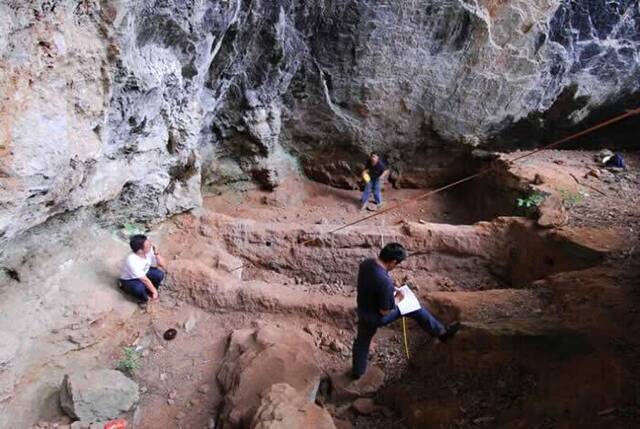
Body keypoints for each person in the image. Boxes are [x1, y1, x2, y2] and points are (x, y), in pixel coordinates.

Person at [351, 243, 460, 379]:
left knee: (362, 341)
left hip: (363, 310)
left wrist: (389, 291)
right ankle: (441, 332)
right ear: (393, 262)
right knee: (415, 309)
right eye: (397, 264)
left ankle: (357, 372)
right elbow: (384, 311)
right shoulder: (384, 282)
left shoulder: (366, 264)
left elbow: (371, 285)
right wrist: (398, 298)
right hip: (376, 317)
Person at [119, 234, 167, 304]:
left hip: (144, 271)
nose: (151, 245)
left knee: (159, 274)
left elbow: (163, 264)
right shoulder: (132, 260)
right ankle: (145, 300)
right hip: (130, 280)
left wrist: (156, 252)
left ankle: (150, 291)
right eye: (148, 245)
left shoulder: (149, 250)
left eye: (149, 242)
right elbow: (144, 279)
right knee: (139, 288)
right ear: (140, 251)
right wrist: (154, 291)